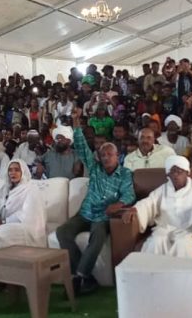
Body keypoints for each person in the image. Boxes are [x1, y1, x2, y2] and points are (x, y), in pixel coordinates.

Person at [56, 108, 135, 295]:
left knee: (97, 235)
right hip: (85, 212)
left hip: (103, 216)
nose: (106, 157)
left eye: (109, 154)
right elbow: (81, 146)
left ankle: (80, 276)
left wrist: (119, 205)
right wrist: (76, 121)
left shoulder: (125, 173)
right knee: (62, 232)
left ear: (117, 156)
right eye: (103, 154)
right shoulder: (95, 168)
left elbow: (129, 194)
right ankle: (86, 277)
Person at [121, 155, 192, 257]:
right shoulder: (163, 189)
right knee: (156, 241)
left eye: (180, 171)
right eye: (173, 172)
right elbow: (148, 202)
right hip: (164, 229)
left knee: (182, 244)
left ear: (187, 172)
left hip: (189, 231)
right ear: (168, 174)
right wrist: (135, 209)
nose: (176, 175)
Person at [0, 160, 47, 263]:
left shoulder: (31, 189)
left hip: (25, 227)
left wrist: (3, 221)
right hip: (3, 224)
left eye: (16, 170)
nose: (12, 173)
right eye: (10, 170)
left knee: (0, 234)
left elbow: (26, 215)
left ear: (23, 171)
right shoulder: (4, 189)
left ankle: (2, 270)